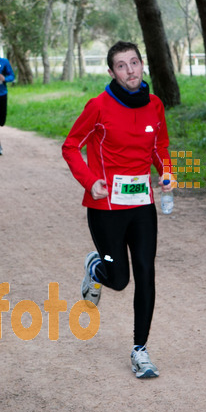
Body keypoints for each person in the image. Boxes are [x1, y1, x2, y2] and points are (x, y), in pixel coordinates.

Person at [62, 41, 174, 379]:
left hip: (142, 204)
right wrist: (89, 180)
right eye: (122, 66)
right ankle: (96, 269)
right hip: (106, 205)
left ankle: (140, 350)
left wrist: (166, 173)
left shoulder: (155, 104)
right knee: (121, 281)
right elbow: (70, 146)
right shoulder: (98, 106)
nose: (131, 71)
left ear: (142, 65)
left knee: (146, 274)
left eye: (135, 62)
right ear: (111, 72)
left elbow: (160, 146)